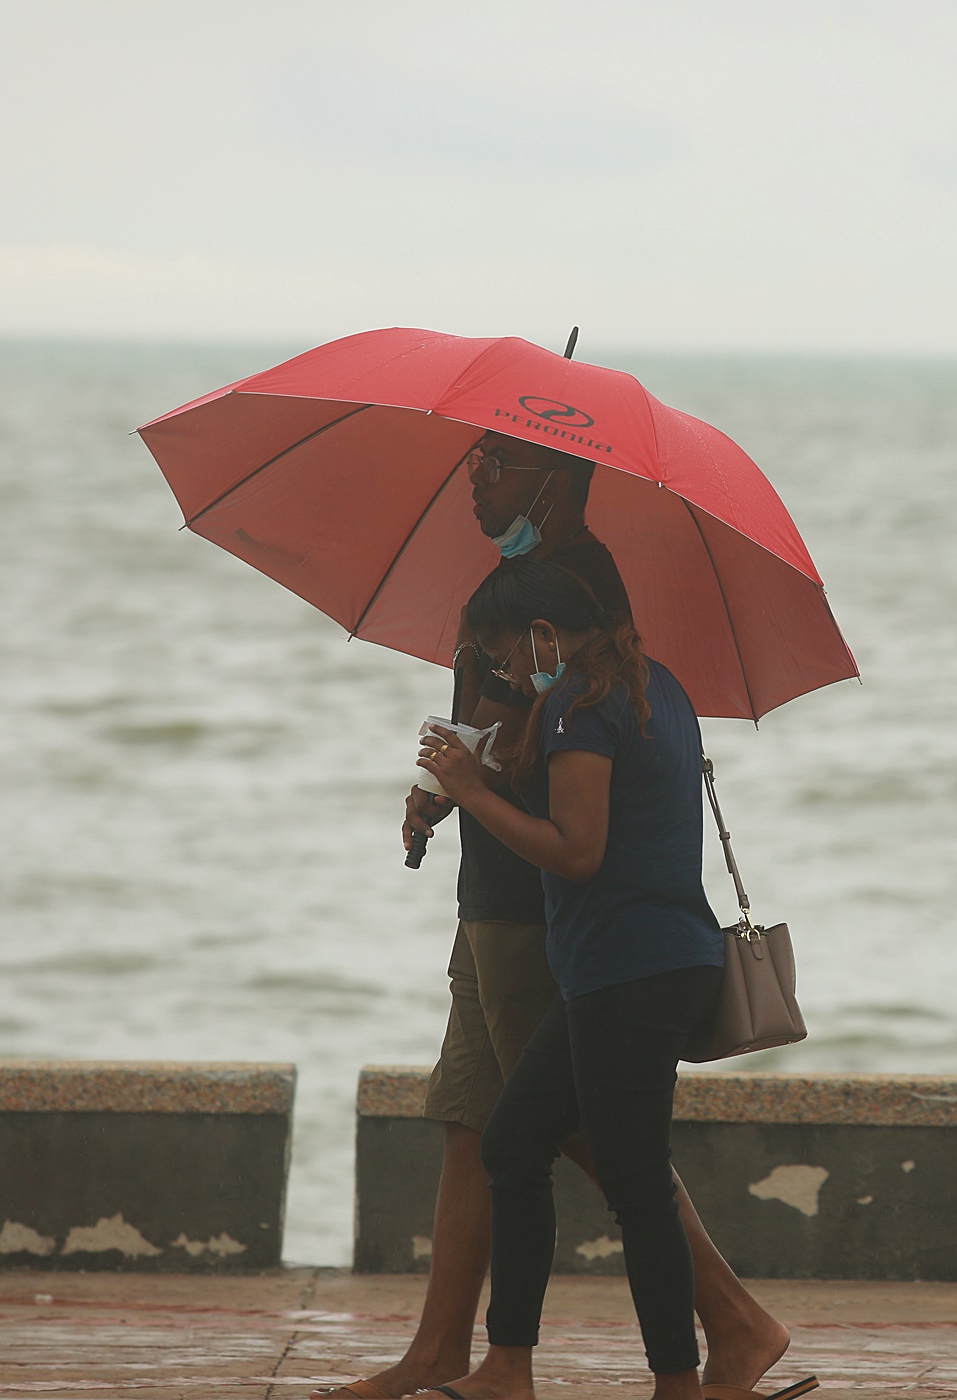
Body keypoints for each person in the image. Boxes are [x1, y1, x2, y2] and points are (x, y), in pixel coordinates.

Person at [317, 436, 791, 1400]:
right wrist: (442, 791)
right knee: (477, 1122)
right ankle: (451, 1351)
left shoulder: (573, 598)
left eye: (495, 465)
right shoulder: (522, 591)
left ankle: (728, 1331)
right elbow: (508, 736)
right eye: (473, 463)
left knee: (582, 1133)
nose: (475, 482)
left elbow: (549, 765)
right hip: (494, 893)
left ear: (558, 478)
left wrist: (464, 781)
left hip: (550, 916)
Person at [412, 558, 814, 1400]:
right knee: (514, 1142)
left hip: (628, 973)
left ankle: (677, 1382)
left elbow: (577, 851)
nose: (512, 679)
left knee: (636, 1185)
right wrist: (486, 773)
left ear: (546, 634)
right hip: (662, 962)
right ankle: (507, 1367)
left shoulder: (576, 706)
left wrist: (468, 792)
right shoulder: (657, 687)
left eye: (510, 659)